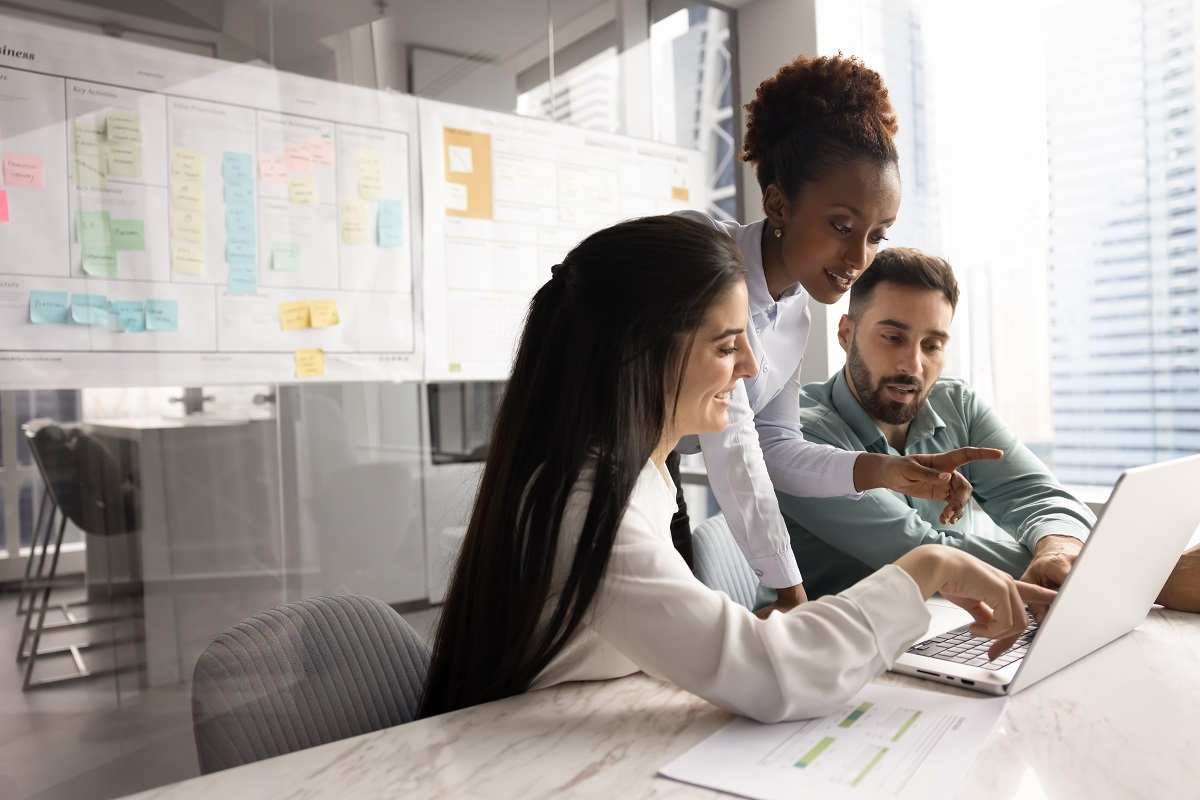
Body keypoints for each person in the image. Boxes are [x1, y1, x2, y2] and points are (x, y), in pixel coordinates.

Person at [418, 215, 1055, 724]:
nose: (752, 368)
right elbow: (771, 675)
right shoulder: (589, 508)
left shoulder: (630, 479)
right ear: (641, 355)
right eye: (728, 345)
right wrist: (930, 567)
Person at [676, 53, 1000, 615]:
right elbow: (733, 444)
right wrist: (791, 592)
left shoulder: (794, 313)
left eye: (877, 235)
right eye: (841, 226)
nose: (859, 258)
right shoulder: (702, 254)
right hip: (591, 471)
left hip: (659, 485)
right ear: (778, 202)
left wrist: (885, 472)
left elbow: (774, 448)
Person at [769, 246, 1200, 615]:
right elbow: (921, 551)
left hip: (957, 627)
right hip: (844, 646)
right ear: (847, 334)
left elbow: (1037, 495)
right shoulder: (797, 435)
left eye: (932, 345)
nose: (913, 365)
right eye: (892, 338)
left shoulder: (956, 404)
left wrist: (1059, 548)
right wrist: (1147, 576)